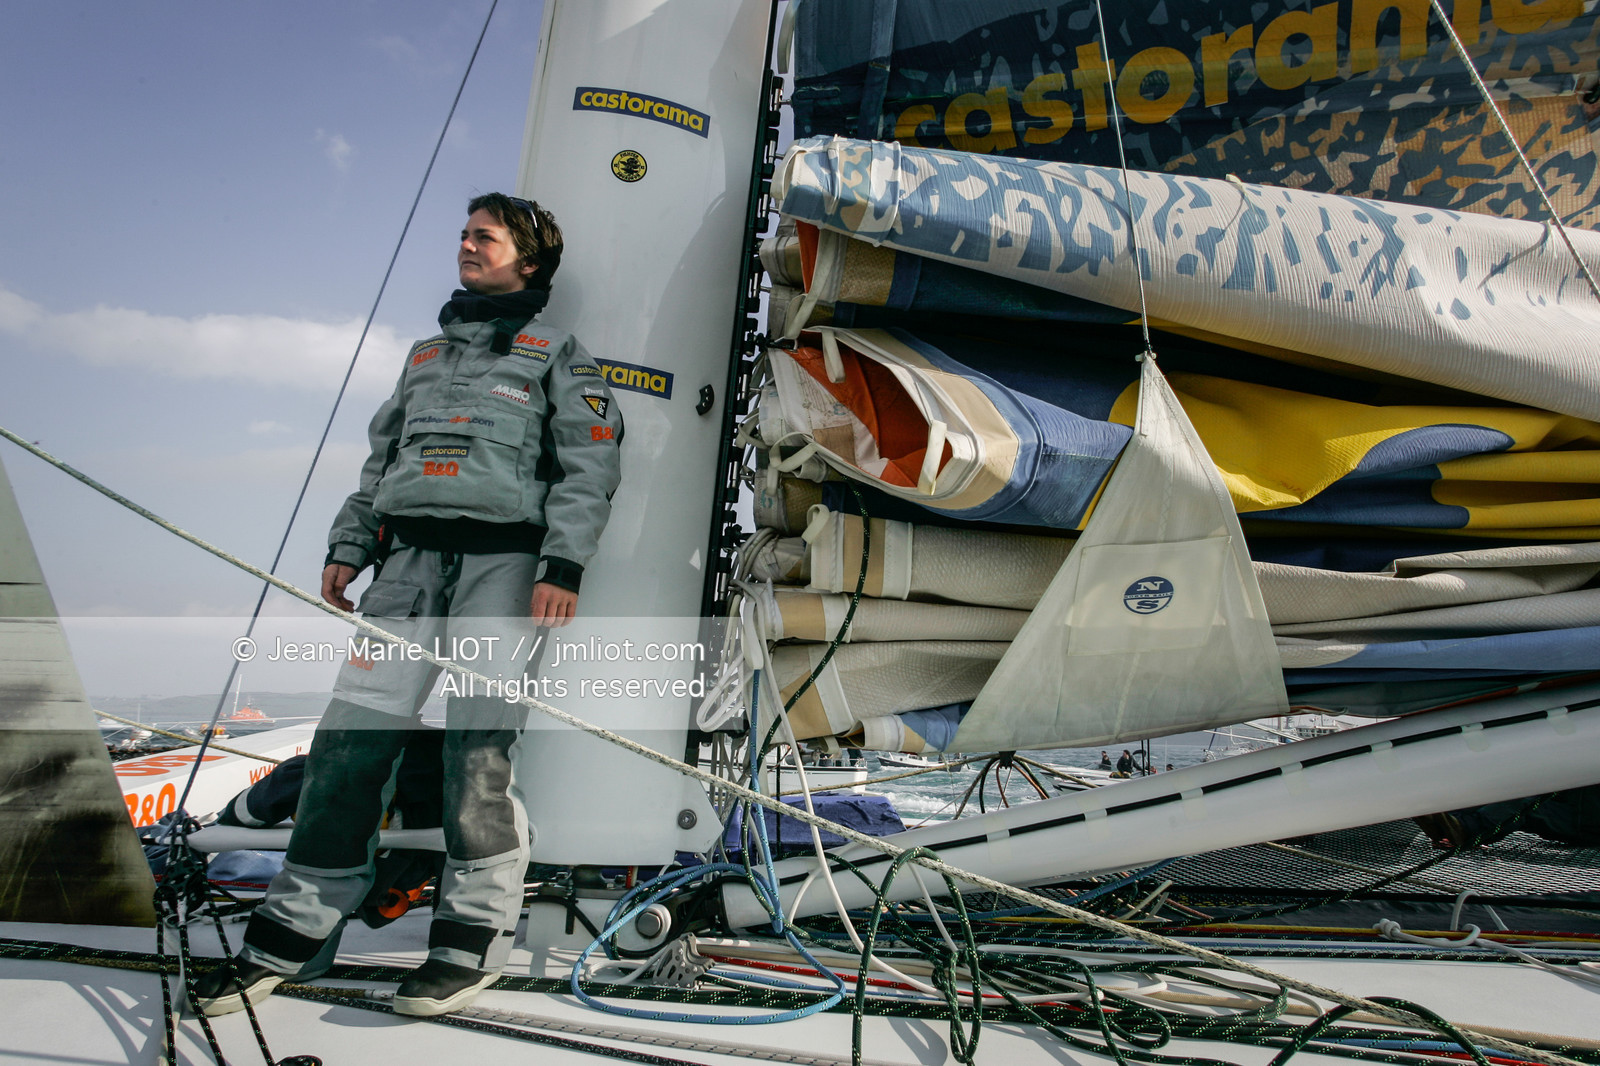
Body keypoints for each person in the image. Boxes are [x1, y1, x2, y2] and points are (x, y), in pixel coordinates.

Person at [194, 193, 623, 1018]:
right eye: (463, 235)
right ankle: (297, 927)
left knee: (478, 756)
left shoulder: (559, 356)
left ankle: (471, 936)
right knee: (350, 744)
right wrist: (345, 546)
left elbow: (591, 466)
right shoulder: (423, 358)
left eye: (484, 237)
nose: (465, 246)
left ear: (527, 263)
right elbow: (379, 461)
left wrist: (562, 566)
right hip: (406, 570)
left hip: (503, 569)